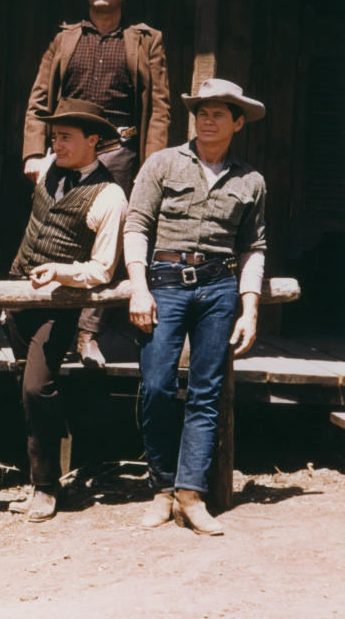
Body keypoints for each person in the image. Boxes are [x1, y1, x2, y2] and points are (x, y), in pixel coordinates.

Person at [125, 78, 266, 536]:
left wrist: (250, 307)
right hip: (164, 284)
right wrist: (138, 288)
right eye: (201, 112)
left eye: (218, 113)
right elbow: (137, 226)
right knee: (158, 386)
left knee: (206, 392)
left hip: (220, 288)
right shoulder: (162, 163)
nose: (207, 120)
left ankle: (191, 495)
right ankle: (161, 490)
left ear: (237, 122)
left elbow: (253, 247)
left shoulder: (251, 180)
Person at [22, 0, 171, 367]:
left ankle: (89, 333)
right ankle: (32, 319)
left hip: (119, 151)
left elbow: (158, 107)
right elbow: (39, 100)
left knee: (109, 240)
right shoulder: (65, 39)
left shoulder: (145, 40)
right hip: (65, 148)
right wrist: (36, 153)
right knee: (56, 230)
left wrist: (151, 164)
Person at [5, 99, 128, 522]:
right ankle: (35, 478)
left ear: (93, 141)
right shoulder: (45, 168)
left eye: (66, 137)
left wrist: (61, 272)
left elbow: (103, 269)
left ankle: (46, 488)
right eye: (54, 135)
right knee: (26, 388)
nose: (56, 143)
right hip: (19, 294)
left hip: (61, 305)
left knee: (38, 386)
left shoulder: (110, 196)